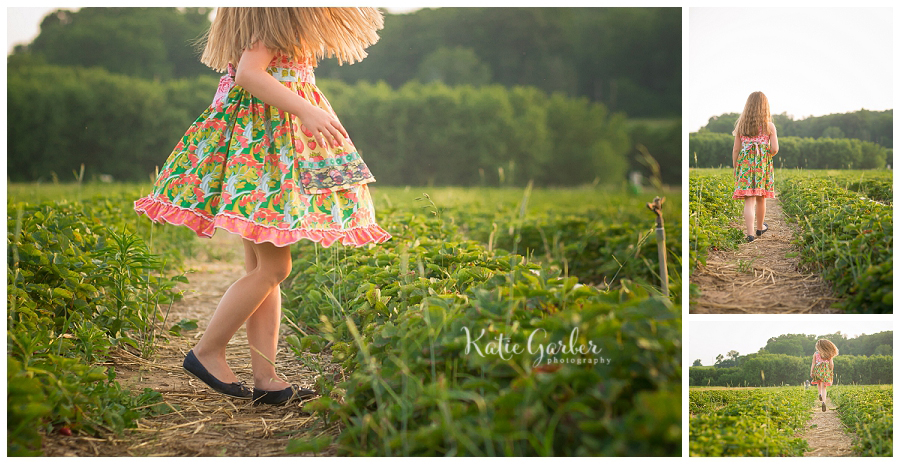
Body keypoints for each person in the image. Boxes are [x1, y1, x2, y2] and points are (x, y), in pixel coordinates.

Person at [134, 7, 390, 405]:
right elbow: (250, 74)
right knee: (275, 267)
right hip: (266, 149)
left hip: (261, 145)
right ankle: (207, 351)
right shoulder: (274, 20)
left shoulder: (273, 21)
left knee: (262, 270)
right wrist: (306, 108)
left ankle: (266, 377)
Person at [731, 91, 779, 243]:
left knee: (749, 201)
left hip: (745, 165)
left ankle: (750, 234)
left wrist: (735, 167)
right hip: (761, 165)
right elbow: (775, 149)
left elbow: (736, 149)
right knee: (761, 198)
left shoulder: (742, 126)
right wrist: (765, 153)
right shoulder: (769, 126)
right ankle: (760, 228)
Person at [810, 339, 838, 412]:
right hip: (825, 371)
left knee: (819, 384)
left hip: (817, 370)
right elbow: (831, 364)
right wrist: (831, 371)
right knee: (824, 387)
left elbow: (813, 363)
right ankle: (823, 402)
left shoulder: (816, 354)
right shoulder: (829, 354)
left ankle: (820, 394)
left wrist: (811, 372)